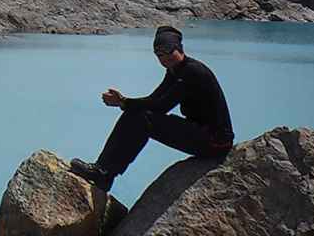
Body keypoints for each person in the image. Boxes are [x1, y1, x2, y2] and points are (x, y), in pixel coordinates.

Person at [70, 26, 234, 192]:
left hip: (215, 142)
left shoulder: (192, 71)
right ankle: (103, 171)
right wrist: (125, 103)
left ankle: (104, 172)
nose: (164, 58)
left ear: (179, 48)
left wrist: (124, 102)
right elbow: (153, 99)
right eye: (159, 54)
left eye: (168, 51)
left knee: (142, 118)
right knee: (136, 114)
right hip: (203, 135)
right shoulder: (174, 71)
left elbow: (162, 106)